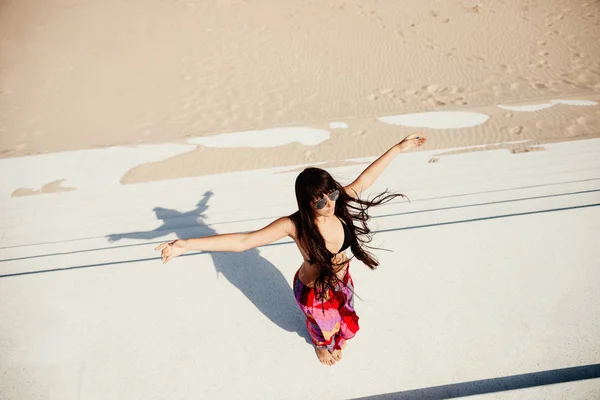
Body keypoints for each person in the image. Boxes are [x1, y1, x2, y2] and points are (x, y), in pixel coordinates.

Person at [155, 133, 427, 366]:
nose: (329, 204)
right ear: (307, 203)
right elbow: (243, 242)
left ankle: (329, 337)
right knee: (323, 326)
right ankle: (319, 344)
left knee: (344, 315)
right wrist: (184, 245)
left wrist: (398, 148)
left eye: (331, 194)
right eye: (320, 202)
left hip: (341, 278)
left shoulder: (337, 202)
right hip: (313, 292)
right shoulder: (294, 225)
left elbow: (364, 181)